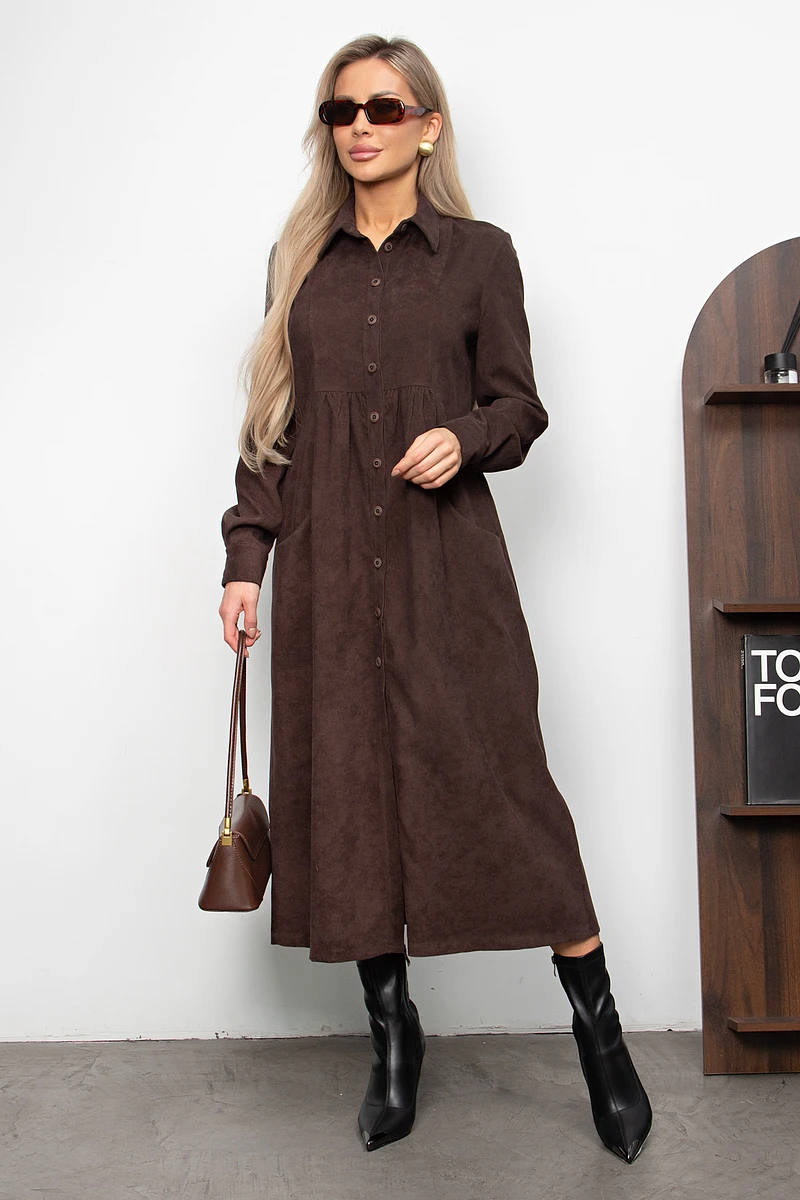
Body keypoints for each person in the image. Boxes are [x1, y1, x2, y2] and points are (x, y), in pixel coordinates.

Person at [217, 34, 652, 1163]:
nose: (359, 127)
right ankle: (392, 1041)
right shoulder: (295, 263)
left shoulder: (479, 257)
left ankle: (600, 1038)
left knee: (510, 793)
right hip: (327, 582)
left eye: (382, 107)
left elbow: (519, 406)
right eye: (340, 111)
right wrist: (245, 560)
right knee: (352, 803)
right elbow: (272, 430)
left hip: (447, 576)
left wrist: (463, 436)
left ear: (427, 124)